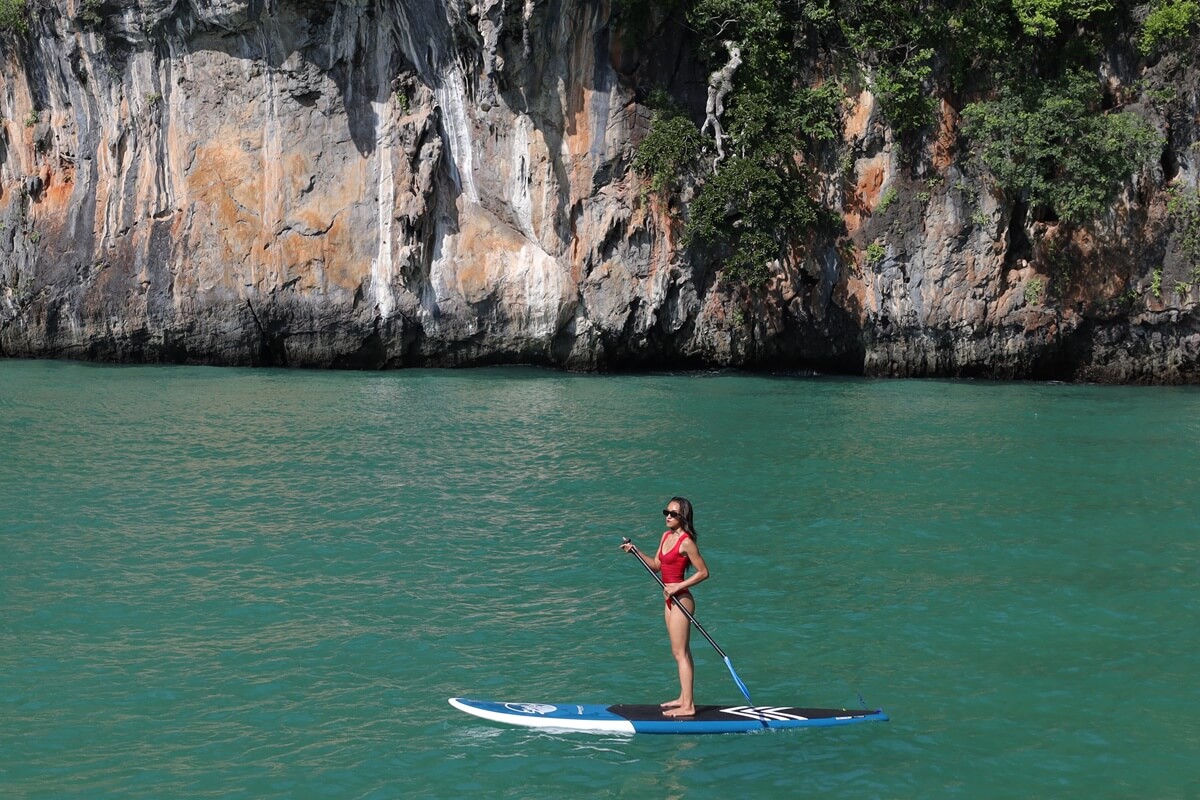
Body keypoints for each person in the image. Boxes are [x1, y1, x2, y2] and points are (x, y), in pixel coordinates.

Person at [621, 496, 710, 717]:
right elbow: (657, 565)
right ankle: (683, 697)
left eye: (673, 514)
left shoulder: (687, 542)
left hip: (682, 600)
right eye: (666, 512)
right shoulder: (665, 536)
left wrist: (678, 586)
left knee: (681, 653)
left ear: (683, 517)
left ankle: (688, 706)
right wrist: (635, 551)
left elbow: (703, 572)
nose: (668, 516)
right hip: (669, 599)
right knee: (678, 651)